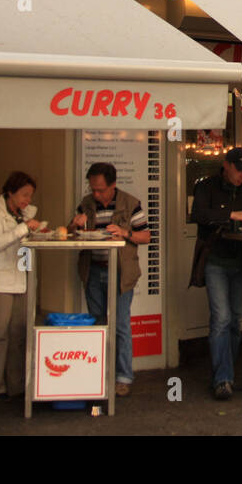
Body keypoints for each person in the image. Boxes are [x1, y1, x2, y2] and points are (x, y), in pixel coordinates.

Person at [69, 162, 149, 397]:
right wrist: (74, 226)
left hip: (121, 272)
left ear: (113, 185)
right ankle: (98, 373)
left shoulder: (130, 203)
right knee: (97, 322)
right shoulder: (86, 204)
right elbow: (74, 236)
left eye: (101, 189)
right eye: (93, 188)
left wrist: (126, 233)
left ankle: (123, 377)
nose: (96, 194)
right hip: (93, 270)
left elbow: (146, 236)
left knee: (121, 324)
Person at [191, 148, 242, 400]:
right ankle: (222, 379)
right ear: (227, 165)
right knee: (221, 319)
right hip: (215, 261)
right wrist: (231, 214)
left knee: (234, 319)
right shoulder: (206, 187)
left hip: (240, 261)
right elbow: (198, 215)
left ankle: (227, 375)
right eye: (239, 169)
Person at [0, 171, 42, 402]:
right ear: (10, 192)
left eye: (30, 195)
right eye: (24, 194)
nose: (28, 200)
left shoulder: (24, 214)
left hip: (21, 280)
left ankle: (17, 386)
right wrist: (24, 228)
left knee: (18, 334)